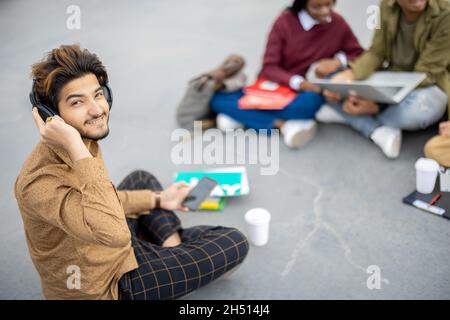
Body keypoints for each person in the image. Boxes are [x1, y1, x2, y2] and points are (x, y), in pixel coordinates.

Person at [14, 44, 249, 300]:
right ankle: (174, 261)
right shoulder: (39, 183)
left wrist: (161, 200)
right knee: (234, 241)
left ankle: (172, 252)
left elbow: (104, 204)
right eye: (77, 102)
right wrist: (73, 145)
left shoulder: (84, 137)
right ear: (52, 115)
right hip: (108, 285)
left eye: (98, 95)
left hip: (112, 245)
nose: (96, 110)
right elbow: (113, 233)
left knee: (141, 179)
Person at [209, 0, 363, 148]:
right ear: (303, 4)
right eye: (317, 6)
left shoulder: (337, 22)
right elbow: (269, 67)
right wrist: (298, 82)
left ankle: (246, 117)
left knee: (312, 101)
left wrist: (338, 61)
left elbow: (359, 54)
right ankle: (282, 124)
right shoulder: (284, 22)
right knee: (217, 99)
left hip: (305, 94)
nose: (325, 11)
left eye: (328, 4)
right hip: (275, 86)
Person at [319, 0, 450, 159]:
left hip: (428, 83)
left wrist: (377, 105)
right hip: (393, 76)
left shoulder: (445, 12)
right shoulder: (385, 6)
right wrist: (350, 75)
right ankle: (379, 129)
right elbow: (376, 52)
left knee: (420, 110)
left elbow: (427, 73)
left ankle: (355, 117)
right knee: (330, 83)